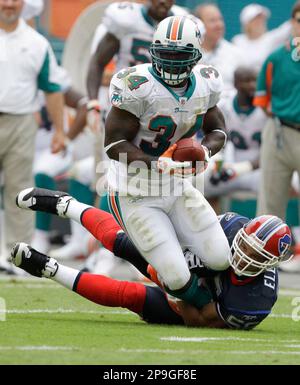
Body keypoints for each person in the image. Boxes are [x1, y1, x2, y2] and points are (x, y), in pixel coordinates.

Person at [13, 187, 292, 329]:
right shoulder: (230, 227)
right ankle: (66, 204)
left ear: (270, 264)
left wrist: (181, 291)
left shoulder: (253, 302)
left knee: (130, 294)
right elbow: (190, 235)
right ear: (243, 231)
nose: (246, 255)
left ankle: (48, 268)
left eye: (257, 255)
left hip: (197, 305)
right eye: (247, 245)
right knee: (121, 242)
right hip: (189, 262)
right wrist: (167, 263)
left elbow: (199, 320)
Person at [104, 15, 232, 309]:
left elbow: (218, 130)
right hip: (134, 191)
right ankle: (203, 307)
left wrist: (204, 152)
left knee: (219, 257)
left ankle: (179, 261)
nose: (173, 62)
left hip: (175, 186)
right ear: (153, 52)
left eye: (181, 55)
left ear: (197, 55)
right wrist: (158, 163)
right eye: (167, 54)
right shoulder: (135, 84)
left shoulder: (206, 83)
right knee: (175, 277)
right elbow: (113, 145)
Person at [0, 0, 65, 264]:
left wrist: (60, 130)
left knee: (19, 190)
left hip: (21, 120)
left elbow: (52, 88)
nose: (9, 4)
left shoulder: (37, 43)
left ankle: (16, 257)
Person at [86, 0, 188, 132]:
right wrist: (93, 102)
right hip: (125, 101)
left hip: (163, 108)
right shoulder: (126, 19)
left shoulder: (183, 24)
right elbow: (98, 61)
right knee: (119, 150)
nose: (163, 1)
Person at [204, 67, 266, 202]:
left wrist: (242, 168)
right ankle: (214, 222)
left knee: (290, 183)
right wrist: (218, 165)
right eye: (247, 81)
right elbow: (216, 138)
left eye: (255, 81)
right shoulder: (225, 104)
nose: (253, 85)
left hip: (259, 168)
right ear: (236, 83)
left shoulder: (266, 107)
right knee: (200, 184)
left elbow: (272, 151)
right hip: (230, 165)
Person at [194, 3, 245, 98]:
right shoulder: (189, 54)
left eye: (220, 19)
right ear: (199, 25)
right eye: (212, 20)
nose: (219, 25)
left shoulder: (235, 53)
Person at [232, 3, 291, 71]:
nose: (260, 22)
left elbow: (290, 25)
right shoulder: (237, 41)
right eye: (256, 20)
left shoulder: (271, 38)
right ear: (247, 24)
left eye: (262, 19)